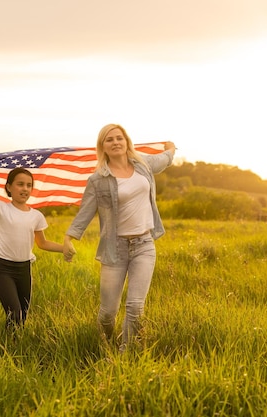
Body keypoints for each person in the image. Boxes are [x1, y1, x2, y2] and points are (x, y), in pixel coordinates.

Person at [63, 123, 175, 352]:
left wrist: (171, 150)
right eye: (109, 140)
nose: (115, 143)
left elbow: (162, 160)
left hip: (144, 245)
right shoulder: (98, 180)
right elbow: (85, 212)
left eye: (119, 138)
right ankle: (106, 343)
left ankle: (125, 355)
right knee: (108, 313)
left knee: (135, 306)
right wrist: (69, 237)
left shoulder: (143, 163)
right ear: (102, 147)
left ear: (126, 142)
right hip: (115, 250)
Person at [0, 157, 64, 330]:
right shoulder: (2, 209)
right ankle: (4, 349)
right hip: (3, 268)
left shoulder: (36, 216)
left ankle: (16, 349)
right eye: (20, 184)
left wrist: (65, 249)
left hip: (24, 269)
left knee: (22, 317)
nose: (25, 189)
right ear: (9, 187)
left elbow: (43, 243)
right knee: (15, 314)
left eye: (28, 185)